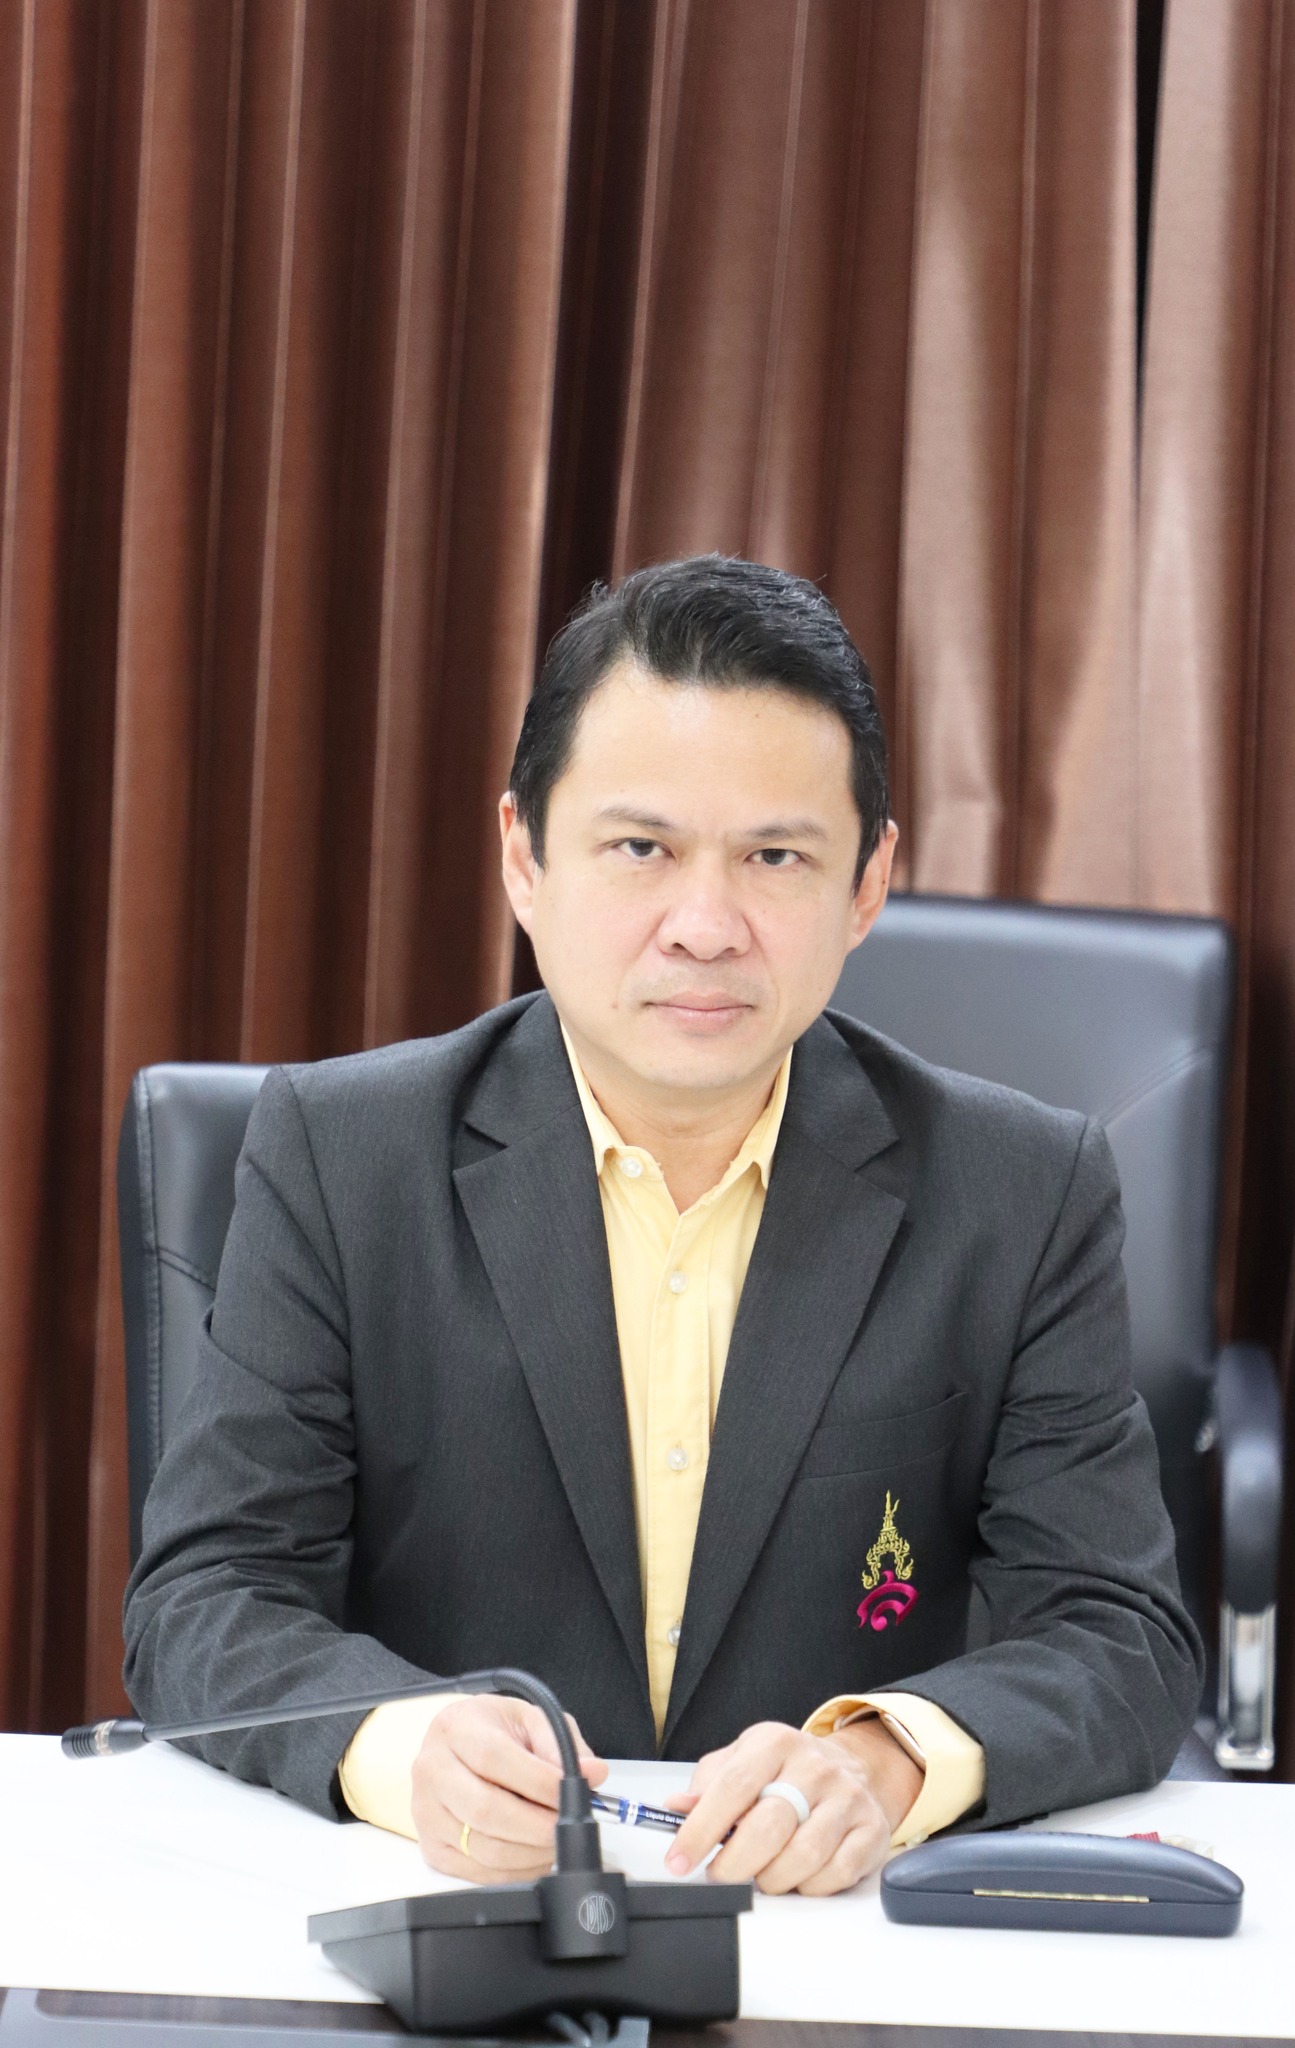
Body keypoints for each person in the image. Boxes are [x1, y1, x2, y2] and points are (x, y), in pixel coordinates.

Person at [124, 555, 1201, 1899]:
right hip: (447, 1913)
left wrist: (891, 1759)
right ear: (523, 857)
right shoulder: (341, 1159)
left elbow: (1118, 1632)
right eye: (641, 849)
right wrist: (398, 1748)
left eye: (775, 857)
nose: (704, 926)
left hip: (831, 1927)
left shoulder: (1020, 1193)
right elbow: (206, 1593)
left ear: (868, 884)